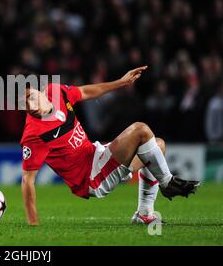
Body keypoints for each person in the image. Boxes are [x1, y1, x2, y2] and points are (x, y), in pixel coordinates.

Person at [20, 66, 199, 225]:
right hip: (90, 178)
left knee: (157, 146)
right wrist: (33, 223)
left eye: (31, 97)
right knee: (140, 130)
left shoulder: (56, 92)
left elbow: (88, 91)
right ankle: (167, 182)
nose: (30, 105)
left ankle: (144, 214)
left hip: (96, 155)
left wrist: (121, 82)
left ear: (43, 90)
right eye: (24, 102)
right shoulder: (34, 134)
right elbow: (28, 180)